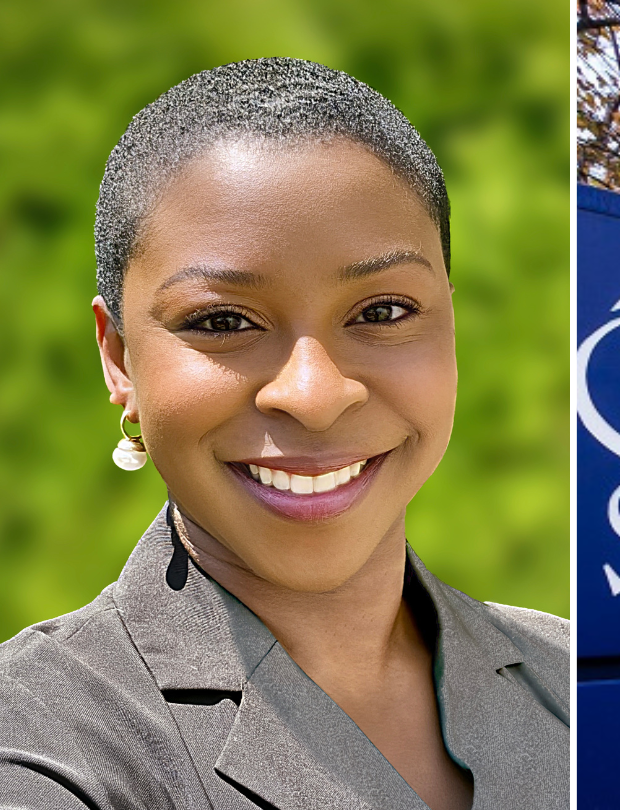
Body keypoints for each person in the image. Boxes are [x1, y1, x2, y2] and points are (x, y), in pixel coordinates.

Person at [0, 58, 569, 810]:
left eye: (383, 311)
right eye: (222, 322)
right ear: (119, 358)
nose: (315, 394)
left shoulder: (565, 666)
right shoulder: (42, 736)